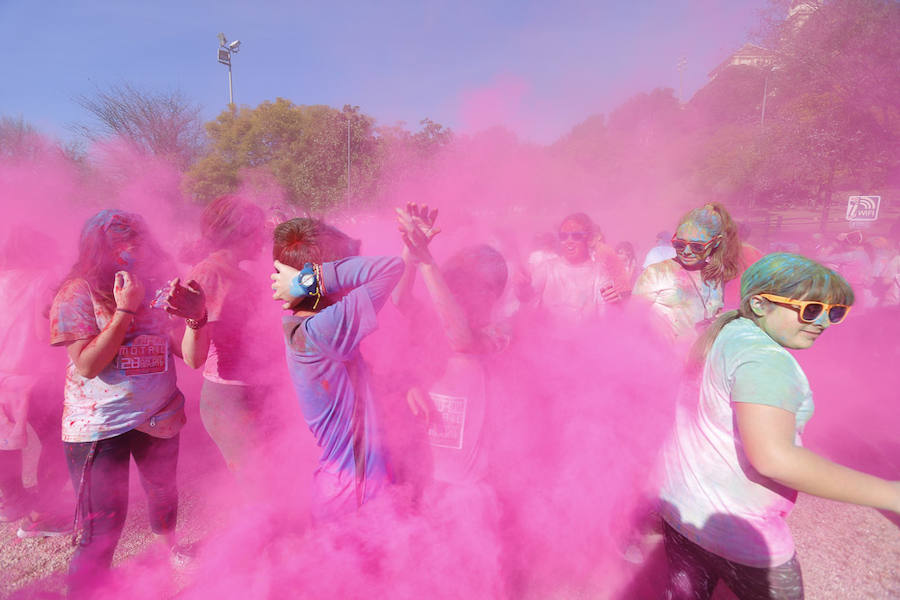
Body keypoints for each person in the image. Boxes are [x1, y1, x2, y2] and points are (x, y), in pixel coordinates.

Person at [658, 253, 900, 600]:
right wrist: (890, 494)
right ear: (759, 303)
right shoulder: (766, 360)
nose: (823, 322)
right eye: (810, 309)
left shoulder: (728, 328)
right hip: (738, 534)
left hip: (681, 512)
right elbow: (774, 459)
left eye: (834, 312)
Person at [49, 210, 208, 598]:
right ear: (97, 248)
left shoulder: (159, 287)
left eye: (137, 237)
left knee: (163, 491)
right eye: (120, 240)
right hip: (99, 426)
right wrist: (125, 310)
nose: (131, 247)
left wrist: (197, 318)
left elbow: (193, 358)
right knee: (102, 527)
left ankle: (166, 552)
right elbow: (86, 365)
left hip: (159, 414)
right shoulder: (77, 291)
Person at [270, 218, 402, 522]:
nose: (349, 280)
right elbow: (390, 268)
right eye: (342, 268)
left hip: (341, 486)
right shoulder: (324, 330)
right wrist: (311, 279)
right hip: (358, 493)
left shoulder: (307, 329)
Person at [185, 196, 270, 481]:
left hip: (257, 390)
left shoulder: (245, 273)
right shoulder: (207, 274)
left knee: (271, 477)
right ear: (238, 232)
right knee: (255, 484)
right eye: (259, 230)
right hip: (230, 399)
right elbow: (193, 357)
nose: (264, 237)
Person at [0, 226, 72, 537]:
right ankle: (48, 514)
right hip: (37, 378)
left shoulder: (2, 282)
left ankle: (13, 502)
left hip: (4, 378)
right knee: (59, 441)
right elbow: (47, 335)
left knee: (5, 444)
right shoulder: (43, 281)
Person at [632, 204, 743, 346]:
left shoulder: (716, 275)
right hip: (660, 359)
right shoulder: (656, 273)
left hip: (699, 359)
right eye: (679, 244)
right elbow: (632, 321)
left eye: (697, 246)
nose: (686, 251)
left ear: (715, 243)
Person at [516, 212, 620, 326]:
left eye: (576, 236)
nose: (569, 241)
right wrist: (522, 287)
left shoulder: (599, 273)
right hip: (548, 340)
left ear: (589, 239)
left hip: (584, 341)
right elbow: (526, 299)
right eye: (563, 236)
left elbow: (606, 317)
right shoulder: (547, 268)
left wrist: (614, 305)